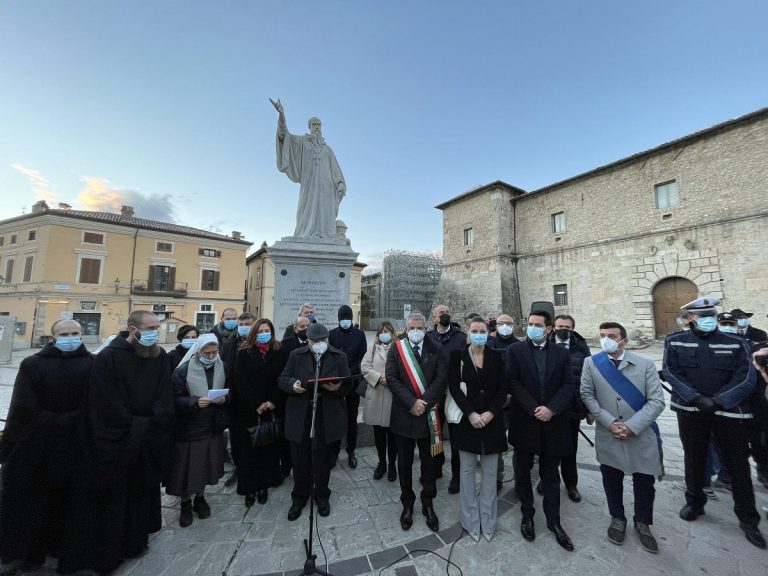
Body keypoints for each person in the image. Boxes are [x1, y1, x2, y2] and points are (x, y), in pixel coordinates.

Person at [62, 311, 174, 574]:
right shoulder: (108, 358)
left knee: (141, 495)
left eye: (157, 327)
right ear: (132, 330)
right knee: (116, 500)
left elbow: (164, 394)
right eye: (150, 328)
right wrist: (136, 425)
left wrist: (154, 422)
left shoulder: (159, 356)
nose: (154, 332)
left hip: (147, 439)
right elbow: (104, 401)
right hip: (118, 441)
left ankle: (138, 541)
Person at [663, 297, 765, 549]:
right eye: (701, 315)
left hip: (728, 412)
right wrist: (695, 397)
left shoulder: (737, 342)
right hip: (691, 409)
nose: (707, 319)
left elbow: (746, 377)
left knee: (737, 464)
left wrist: (719, 401)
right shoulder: (675, 341)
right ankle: (695, 502)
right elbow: (670, 371)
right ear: (690, 319)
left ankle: (748, 518)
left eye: (710, 314)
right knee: (694, 459)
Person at [0, 320, 92, 573]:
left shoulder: (92, 364)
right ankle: (30, 551)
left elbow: (96, 401)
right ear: (53, 338)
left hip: (78, 442)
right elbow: (22, 405)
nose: (71, 338)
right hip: (41, 441)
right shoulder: (33, 364)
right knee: (36, 498)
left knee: (70, 499)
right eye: (65, 334)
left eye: (75, 333)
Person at [581, 322, 665, 553]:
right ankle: (617, 517)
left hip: (640, 432)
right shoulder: (591, 363)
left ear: (624, 341)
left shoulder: (645, 365)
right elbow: (587, 395)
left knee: (644, 480)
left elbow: (657, 401)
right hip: (609, 432)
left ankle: (643, 522)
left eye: (612, 336)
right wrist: (609, 422)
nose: (606, 339)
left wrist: (631, 426)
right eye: (602, 335)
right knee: (611, 477)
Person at [507, 310, 576, 551]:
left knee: (550, 475)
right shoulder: (515, 351)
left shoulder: (561, 353)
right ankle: (527, 514)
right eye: (530, 323)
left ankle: (554, 521)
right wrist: (534, 408)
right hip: (526, 421)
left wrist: (552, 409)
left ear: (548, 329)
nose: (533, 327)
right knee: (522, 472)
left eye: (538, 324)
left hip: (553, 423)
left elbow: (569, 384)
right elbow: (513, 382)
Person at [278, 323, 351, 520]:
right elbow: (283, 378)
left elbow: (349, 384)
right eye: (315, 341)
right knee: (300, 459)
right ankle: (299, 496)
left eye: (323, 340)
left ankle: (322, 495)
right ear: (308, 341)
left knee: (322, 460)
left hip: (327, 415)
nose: (319, 344)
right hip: (301, 414)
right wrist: (292, 385)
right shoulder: (296, 355)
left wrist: (338, 389)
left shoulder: (339, 356)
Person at [386, 312, 448, 533]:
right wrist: (412, 402)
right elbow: (391, 378)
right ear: (405, 328)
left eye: (419, 328)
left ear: (426, 328)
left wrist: (424, 402)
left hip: (428, 416)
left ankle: (428, 504)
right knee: (404, 464)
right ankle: (407, 504)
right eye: (411, 328)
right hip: (404, 415)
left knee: (429, 464)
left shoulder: (437, 348)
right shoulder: (397, 348)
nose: (415, 331)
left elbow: (442, 378)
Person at [448, 319, 507, 542]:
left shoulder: (497, 356)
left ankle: (489, 521)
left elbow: (503, 389)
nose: (479, 334)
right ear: (468, 334)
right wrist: (471, 413)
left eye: (482, 331)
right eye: (475, 331)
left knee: (490, 475)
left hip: (492, 422)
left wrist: (490, 413)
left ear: (488, 334)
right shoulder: (457, 356)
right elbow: (454, 387)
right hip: (467, 421)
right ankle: (470, 520)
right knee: (467, 473)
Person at [165, 334, 228, 527]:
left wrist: (224, 399)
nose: (210, 356)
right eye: (206, 353)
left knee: (205, 465)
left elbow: (229, 390)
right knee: (187, 467)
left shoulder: (220, 367)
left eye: (214, 352)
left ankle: (200, 497)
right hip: (190, 427)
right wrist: (193, 402)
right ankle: (185, 502)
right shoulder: (183, 371)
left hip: (212, 426)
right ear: (197, 352)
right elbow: (173, 398)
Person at [231, 319, 288, 507]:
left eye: (267, 330)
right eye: (261, 330)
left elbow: (283, 377)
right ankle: (249, 489)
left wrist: (272, 401)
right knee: (248, 452)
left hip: (271, 408)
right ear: (254, 332)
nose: (264, 333)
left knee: (268, 452)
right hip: (248, 409)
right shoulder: (244, 352)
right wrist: (256, 403)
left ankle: (264, 486)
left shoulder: (279, 351)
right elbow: (240, 381)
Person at [271, 98, 346, 239]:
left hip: (327, 187)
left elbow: (335, 168)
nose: (316, 127)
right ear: (309, 127)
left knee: (324, 211)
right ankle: (304, 233)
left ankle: (325, 234)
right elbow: (284, 136)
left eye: (319, 125)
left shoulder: (327, 149)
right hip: (309, 183)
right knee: (304, 209)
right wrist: (282, 116)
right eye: (314, 124)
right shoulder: (302, 142)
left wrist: (340, 182)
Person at [541, 314, 592, 503]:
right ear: (553, 327)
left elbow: (588, 378)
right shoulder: (543, 345)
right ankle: (546, 479)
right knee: (547, 447)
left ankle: (571, 483)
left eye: (568, 327)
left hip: (572, 405)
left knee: (570, 447)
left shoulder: (581, 347)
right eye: (560, 326)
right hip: (548, 406)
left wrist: (587, 408)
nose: (564, 329)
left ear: (573, 329)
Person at [428, 304, 466, 494]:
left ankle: (457, 475)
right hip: (435, 392)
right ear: (435, 318)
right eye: (441, 313)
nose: (445, 315)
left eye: (447, 312)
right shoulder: (429, 337)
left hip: (454, 393)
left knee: (456, 435)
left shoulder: (461, 337)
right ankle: (436, 467)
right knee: (435, 432)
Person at [329, 304, 368, 469]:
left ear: (351, 318)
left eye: (347, 318)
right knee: (335, 417)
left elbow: (362, 356)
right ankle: (334, 450)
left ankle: (351, 451)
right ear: (338, 319)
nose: (345, 321)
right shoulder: (331, 334)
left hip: (352, 381)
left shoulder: (359, 334)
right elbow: (329, 355)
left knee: (352, 418)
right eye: (342, 318)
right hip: (335, 384)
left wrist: (349, 372)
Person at [361, 321, 398, 482]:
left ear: (392, 333)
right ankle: (382, 462)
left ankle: (392, 465)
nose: (385, 334)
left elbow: (403, 369)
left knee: (393, 435)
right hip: (376, 394)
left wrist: (391, 380)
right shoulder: (373, 348)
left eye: (387, 331)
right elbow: (365, 367)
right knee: (379, 435)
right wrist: (379, 378)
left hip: (393, 396)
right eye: (382, 331)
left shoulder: (399, 348)